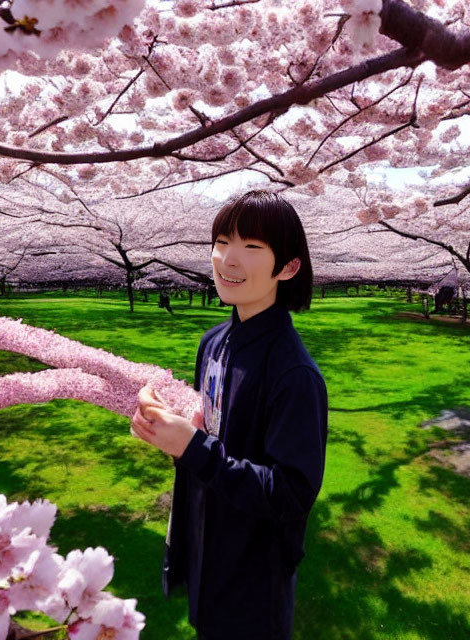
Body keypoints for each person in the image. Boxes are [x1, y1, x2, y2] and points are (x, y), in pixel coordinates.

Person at [130, 190, 328, 640]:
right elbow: (214, 432)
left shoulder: (294, 374)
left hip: (253, 573)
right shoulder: (213, 343)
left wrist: (193, 447)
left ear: (289, 267)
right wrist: (171, 430)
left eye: (252, 248)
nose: (227, 260)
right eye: (221, 242)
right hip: (206, 541)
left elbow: (291, 494)